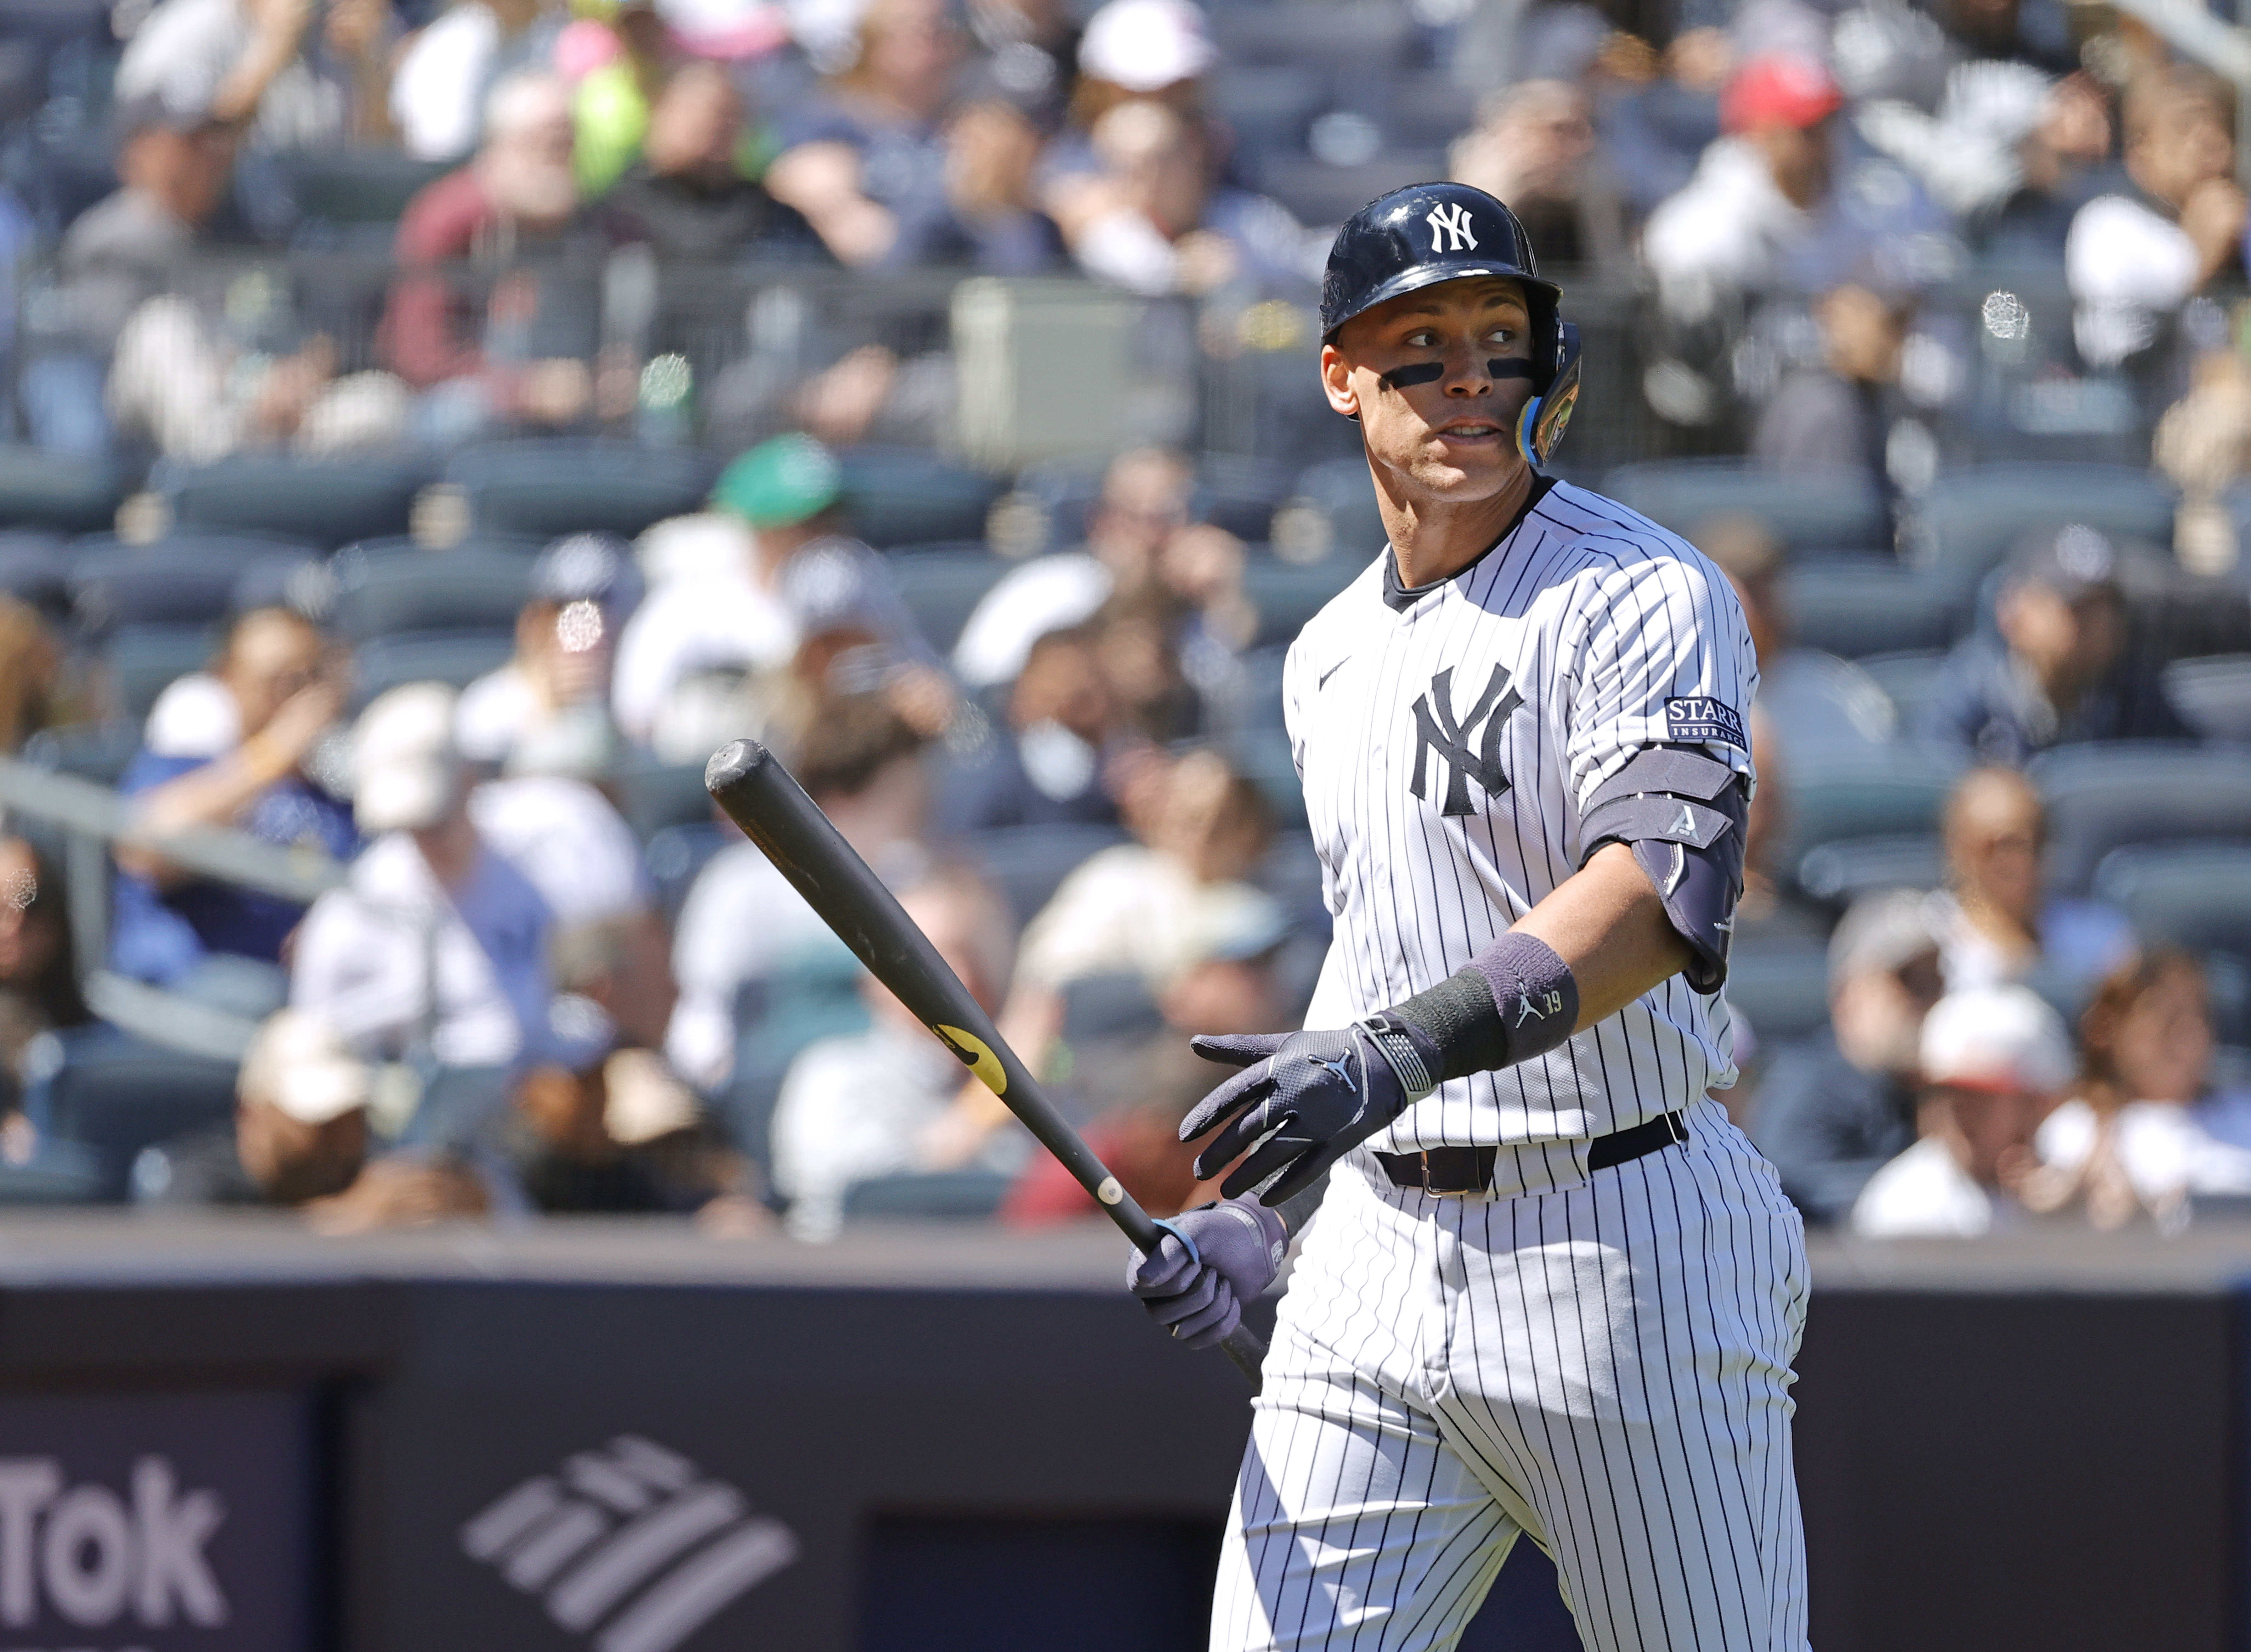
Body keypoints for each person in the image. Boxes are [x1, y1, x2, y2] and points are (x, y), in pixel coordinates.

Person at [1124, 183, 1808, 1649]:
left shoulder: (1639, 591)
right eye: (1416, 344)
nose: (1463, 379)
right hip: (1372, 1264)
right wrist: (1263, 1206)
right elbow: (1381, 949)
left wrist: (1384, 1058)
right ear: (1337, 376)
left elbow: (1649, 900)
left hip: (1619, 1244)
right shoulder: (1322, 657)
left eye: (1495, 339)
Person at [289, 684, 586, 1084]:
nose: (426, 839)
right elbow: (316, 1049)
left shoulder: (544, 860)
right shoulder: (354, 909)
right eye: (411, 825)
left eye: (435, 820)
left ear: (469, 782)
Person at [665, 694, 931, 1095]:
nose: (920, 800)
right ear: (846, 795)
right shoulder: (740, 884)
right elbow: (704, 1012)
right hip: (790, 1103)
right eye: (897, 788)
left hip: (911, 1092)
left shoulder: (920, 875)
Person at [111, 604, 356, 1009]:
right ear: (228, 682)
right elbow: (146, 849)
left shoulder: (337, 788)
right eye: (278, 682)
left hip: (314, 992)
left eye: (308, 680)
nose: (296, 701)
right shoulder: (184, 764)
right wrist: (272, 756)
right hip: (199, 989)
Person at [768, 868, 1022, 1238]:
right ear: (873, 979)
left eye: (969, 956)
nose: (961, 980)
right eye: (931, 962)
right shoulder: (832, 1074)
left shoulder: (1040, 1083)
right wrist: (987, 1105)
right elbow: (882, 1201)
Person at [377, 71, 602, 442]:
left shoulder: (594, 226)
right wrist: (524, 391)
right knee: (463, 416)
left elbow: (616, 338)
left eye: (567, 147)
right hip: (468, 406)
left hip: (575, 405)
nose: (557, 163)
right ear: (500, 144)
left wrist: (603, 382)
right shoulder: (449, 216)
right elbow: (419, 354)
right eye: (544, 145)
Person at [1919, 522, 2191, 765]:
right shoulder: (1971, 689)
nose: (2092, 625)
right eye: (2074, 608)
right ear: (2013, 613)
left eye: (2105, 607)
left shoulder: (2142, 694)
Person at [1751, 889, 1946, 1223]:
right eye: (1910, 980)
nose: (1929, 998)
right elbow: (1789, 1202)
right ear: (1849, 994)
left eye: (1938, 981)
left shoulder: (1944, 1088)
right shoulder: (1805, 1088)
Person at [2025, 949, 2251, 1226]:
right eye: (2168, 1018)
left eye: (2200, 1015)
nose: (2189, 1033)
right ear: (2109, 1030)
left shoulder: (2244, 1111)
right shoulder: (2075, 1130)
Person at [1850, 983, 2072, 1237]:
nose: (1958, 1113)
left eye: (1982, 1098)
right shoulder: (1905, 1203)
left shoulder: (2074, 1176)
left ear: (2036, 1104)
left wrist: (2070, 1215)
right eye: (1946, 1095)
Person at [2067, 65, 2244, 379]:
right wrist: (2198, 263)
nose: (2212, 141)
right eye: (2185, 127)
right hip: (2135, 421)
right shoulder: (2110, 225)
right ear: (2141, 152)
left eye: (2222, 126)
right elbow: (2113, 353)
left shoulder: (2239, 226)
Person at [762, 0, 965, 269]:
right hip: (851, 288)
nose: (933, 46)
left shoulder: (970, 123)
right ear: (874, 43)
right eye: (918, 33)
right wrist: (842, 209)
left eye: (942, 31)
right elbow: (794, 177)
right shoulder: (827, 121)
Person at [1926, 766, 2134, 1003]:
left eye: (2038, 839)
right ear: (1961, 850)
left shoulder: (2098, 935)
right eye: (2005, 845)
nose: (2025, 859)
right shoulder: (1928, 945)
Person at [597, 63, 825, 262]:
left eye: (727, 116)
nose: (713, 127)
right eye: (694, 113)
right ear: (660, 114)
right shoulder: (619, 209)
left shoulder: (764, 212)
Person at [455, 533, 637, 770]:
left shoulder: (642, 708)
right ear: (532, 624)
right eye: (563, 616)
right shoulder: (489, 713)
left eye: (602, 622)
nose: (585, 639)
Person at [1448, 79, 1628, 274]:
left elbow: (1614, 283)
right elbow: (1461, 278)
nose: (1585, 144)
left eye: (1585, 129)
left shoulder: (1593, 192)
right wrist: (1487, 201)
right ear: (1511, 133)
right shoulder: (1452, 202)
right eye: (1561, 130)